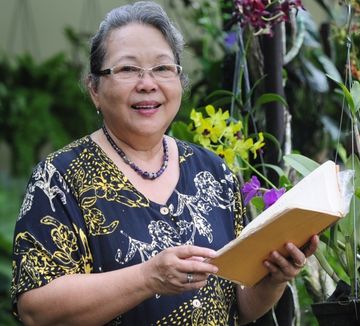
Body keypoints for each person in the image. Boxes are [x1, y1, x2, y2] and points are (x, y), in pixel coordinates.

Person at [10, 1, 319, 325]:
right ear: (94, 90)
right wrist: (148, 277)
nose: (148, 83)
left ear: (179, 81)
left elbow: (237, 306)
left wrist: (273, 278)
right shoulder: (59, 178)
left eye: (162, 68)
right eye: (128, 69)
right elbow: (36, 310)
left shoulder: (214, 172)